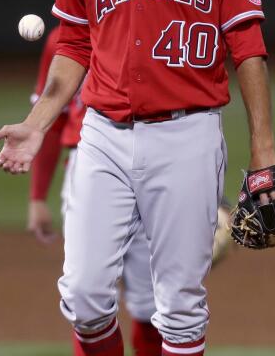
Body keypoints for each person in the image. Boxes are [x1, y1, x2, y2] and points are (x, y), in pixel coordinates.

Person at [0, 0, 275, 356]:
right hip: (104, 135)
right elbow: (73, 45)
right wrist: (36, 124)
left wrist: (263, 150)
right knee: (83, 294)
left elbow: (248, 47)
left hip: (185, 136)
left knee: (181, 306)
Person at [26, 26, 232, 356]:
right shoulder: (62, 40)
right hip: (89, 165)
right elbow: (50, 119)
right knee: (85, 299)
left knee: (152, 304)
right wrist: (37, 196)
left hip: (152, 164)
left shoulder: (145, 27)